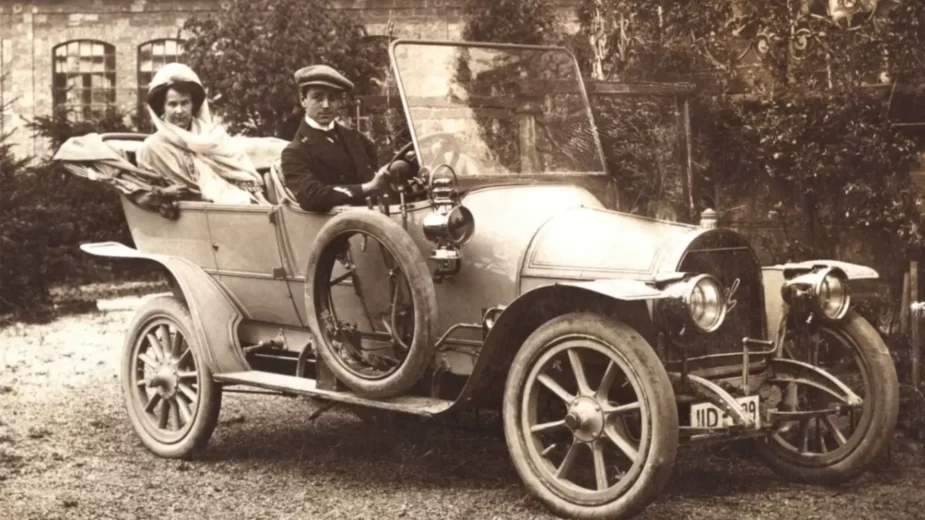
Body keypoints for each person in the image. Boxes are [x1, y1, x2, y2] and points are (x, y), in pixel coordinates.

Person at [137, 63, 269, 205]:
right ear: (162, 108)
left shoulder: (213, 135)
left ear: (193, 105)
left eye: (185, 103)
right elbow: (143, 193)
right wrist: (167, 192)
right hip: (190, 214)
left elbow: (241, 174)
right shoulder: (152, 148)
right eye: (173, 104)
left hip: (233, 205)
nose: (179, 110)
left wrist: (261, 200)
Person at [281, 64, 390, 212]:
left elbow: (380, 169)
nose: (326, 105)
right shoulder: (294, 153)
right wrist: (368, 187)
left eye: (332, 98)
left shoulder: (356, 138)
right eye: (317, 98)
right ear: (303, 100)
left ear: (340, 102)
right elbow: (312, 197)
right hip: (336, 229)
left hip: (374, 220)